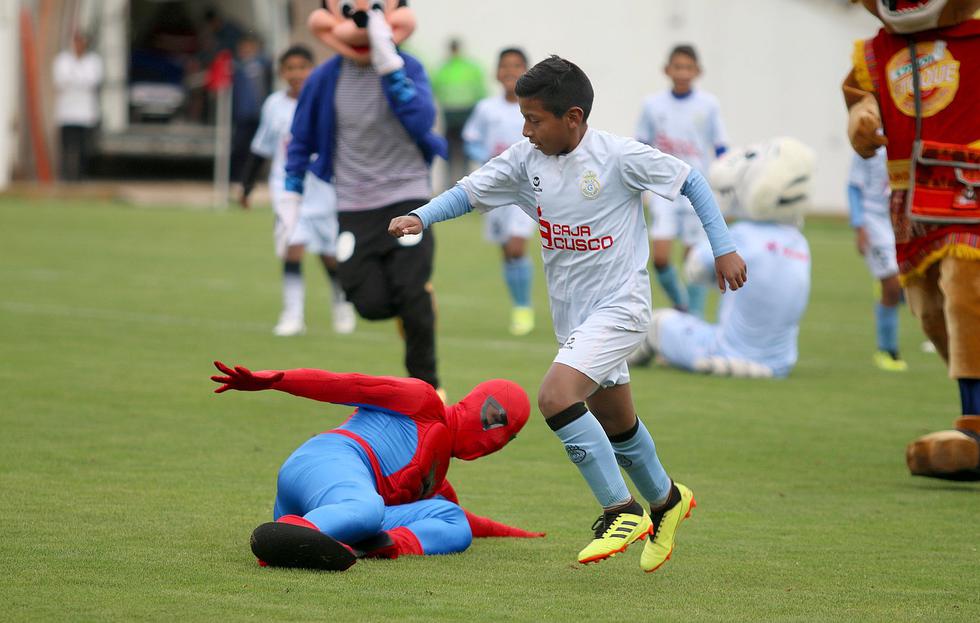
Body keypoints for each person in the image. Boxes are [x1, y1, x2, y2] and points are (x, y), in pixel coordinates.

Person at [389, 56, 747, 572]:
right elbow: (469, 191)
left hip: (621, 307)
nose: (526, 130)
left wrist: (724, 248)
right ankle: (667, 501)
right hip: (574, 317)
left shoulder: (618, 156)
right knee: (617, 422)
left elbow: (691, 180)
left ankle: (620, 510)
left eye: (534, 120)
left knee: (556, 397)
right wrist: (420, 216)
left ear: (573, 117)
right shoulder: (525, 160)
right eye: (524, 118)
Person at [209, 361, 543, 571]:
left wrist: (519, 533)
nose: (496, 440)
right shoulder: (421, 399)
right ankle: (293, 536)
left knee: (454, 521)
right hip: (327, 460)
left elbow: (468, 520)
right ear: (477, 403)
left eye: (509, 437)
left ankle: (370, 544)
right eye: (497, 420)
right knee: (368, 508)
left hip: (339, 504)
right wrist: (274, 380)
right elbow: (347, 384)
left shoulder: (436, 478)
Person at [289, 3, 447, 392]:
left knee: (411, 293)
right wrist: (292, 192)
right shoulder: (325, 78)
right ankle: (415, 305)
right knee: (368, 302)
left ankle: (426, 387)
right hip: (354, 204)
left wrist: (388, 63)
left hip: (407, 196)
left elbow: (420, 119)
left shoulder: (408, 67)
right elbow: (301, 136)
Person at [629, 138, 814, 379]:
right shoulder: (800, 243)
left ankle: (618, 363)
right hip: (781, 362)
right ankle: (755, 364)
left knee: (657, 323)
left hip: (724, 350)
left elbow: (694, 269)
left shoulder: (741, 235)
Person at [239, 45, 355, 337]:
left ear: (313, 71)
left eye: (303, 67)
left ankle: (342, 304)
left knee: (329, 255)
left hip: (324, 190)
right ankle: (292, 315)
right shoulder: (274, 105)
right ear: (281, 72)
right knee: (292, 249)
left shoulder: (327, 101)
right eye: (290, 68)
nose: (297, 74)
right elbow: (262, 147)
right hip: (287, 190)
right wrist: (247, 185)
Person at [636, 44, 729, 318]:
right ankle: (681, 303)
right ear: (667, 70)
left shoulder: (709, 105)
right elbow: (641, 145)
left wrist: (724, 183)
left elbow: (720, 146)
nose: (683, 73)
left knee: (694, 261)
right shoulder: (652, 105)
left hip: (696, 191)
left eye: (688, 67)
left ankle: (693, 318)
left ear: (698, 71)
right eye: (678, 67)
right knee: (660, 257)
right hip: (664, 191)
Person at [462, 48, 537, 336]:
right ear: (496, 72)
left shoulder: (534, 106)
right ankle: (518, 303)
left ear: (526, 72)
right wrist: (484, 156)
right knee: (507, 251)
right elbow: (471, 139)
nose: (510, 71)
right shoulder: (486, 109)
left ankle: (524, 308)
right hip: (496, 188)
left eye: (517, 66)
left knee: (517, 247)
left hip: (527, 187)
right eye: (505, 66)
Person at [847, 146, 907, 372]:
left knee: (904, 284)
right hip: (874, 220)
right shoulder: (868, 143)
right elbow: (853, 187)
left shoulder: (906, 139)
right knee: (892, 286)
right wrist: (859, 225)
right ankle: (886, 350)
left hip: (899, 219)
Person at [432, 38, 486, 187]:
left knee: (466, 150)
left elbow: (480, 90)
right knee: (449, 152)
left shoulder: (469, 67)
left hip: (466, 112)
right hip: (450, 113)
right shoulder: (444, 68)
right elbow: (436, 89)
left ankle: (467, 184)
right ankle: (449, 185)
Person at [53, 32, 103, 181]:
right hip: (66, 113)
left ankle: (81, 176)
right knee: (66, 146)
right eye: (76, 42)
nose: (79, 45)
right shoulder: (63, 60)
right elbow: (60, 81)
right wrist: (80, 80)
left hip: (86, 113)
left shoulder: (93, 61)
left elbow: (93, 81)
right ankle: (65, 176)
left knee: (83, 147)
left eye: (82, 42)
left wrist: (73, 79)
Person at [231, 34, 272, 182]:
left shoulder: (262, 65)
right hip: (242, 115)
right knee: (240, 146)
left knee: (257, 148)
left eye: (249, 47)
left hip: (258, 114)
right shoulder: (236, 67)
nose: (246, 50)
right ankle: (237, 176)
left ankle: (252, 177)